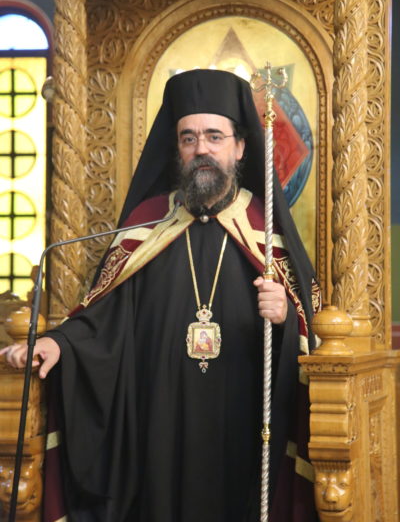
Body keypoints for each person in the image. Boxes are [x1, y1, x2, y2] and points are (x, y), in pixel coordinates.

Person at [2, 69, 321, 521]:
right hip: (157, 422)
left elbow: (312, 336)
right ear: (177, 148)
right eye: (189, 138)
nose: (201, 149)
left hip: (243, 426)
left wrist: (285, 316)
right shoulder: (148, 224)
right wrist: (61, 343)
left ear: (240, 147)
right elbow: (105, 320)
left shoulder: (265, 231)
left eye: (214, 136)